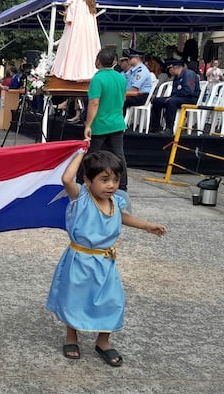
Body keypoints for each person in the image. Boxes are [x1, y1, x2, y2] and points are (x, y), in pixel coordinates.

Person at [47, 149, 166, 366]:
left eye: (115, 180)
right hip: (80, 260)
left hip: (105, 262)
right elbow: (66, 178)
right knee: (75, 299)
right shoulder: (81, 198)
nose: (111, 185)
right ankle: (71, 336)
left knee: (113, 301)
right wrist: (79, 153)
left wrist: (148, 226)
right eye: (104, 180)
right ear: (87, 180)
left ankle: (103, 341)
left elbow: (123, 218)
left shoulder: (115, 201)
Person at [84, 48, 129, 191]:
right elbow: (123, 98)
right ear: (114, 62)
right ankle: (122, 185)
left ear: (97, 62)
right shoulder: (121, 78)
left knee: (91, 155)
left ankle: (84, 181)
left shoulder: (97, 78)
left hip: (100, 123)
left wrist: (88, 124)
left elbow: (94, 102)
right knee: (119, 154)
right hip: (117, 122)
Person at [50, 0, 101, 81]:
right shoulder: (90, 0)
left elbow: (70, 14)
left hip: (77, 28)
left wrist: (67, 8)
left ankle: (72, 71)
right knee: (89, 47)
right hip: (88, 29)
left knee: (74, 46)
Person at [150, 60, 200, 136]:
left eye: (170, 69)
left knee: (171, 102)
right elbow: (174, 92)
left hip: (190, 98)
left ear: (174, 68)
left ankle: (169, 128)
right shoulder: (176, 77)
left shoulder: (189, 74)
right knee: (157, 100)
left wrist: (173, 98)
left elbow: (189, 91)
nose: (169, 72)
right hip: (178, 97)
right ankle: (155, 127)